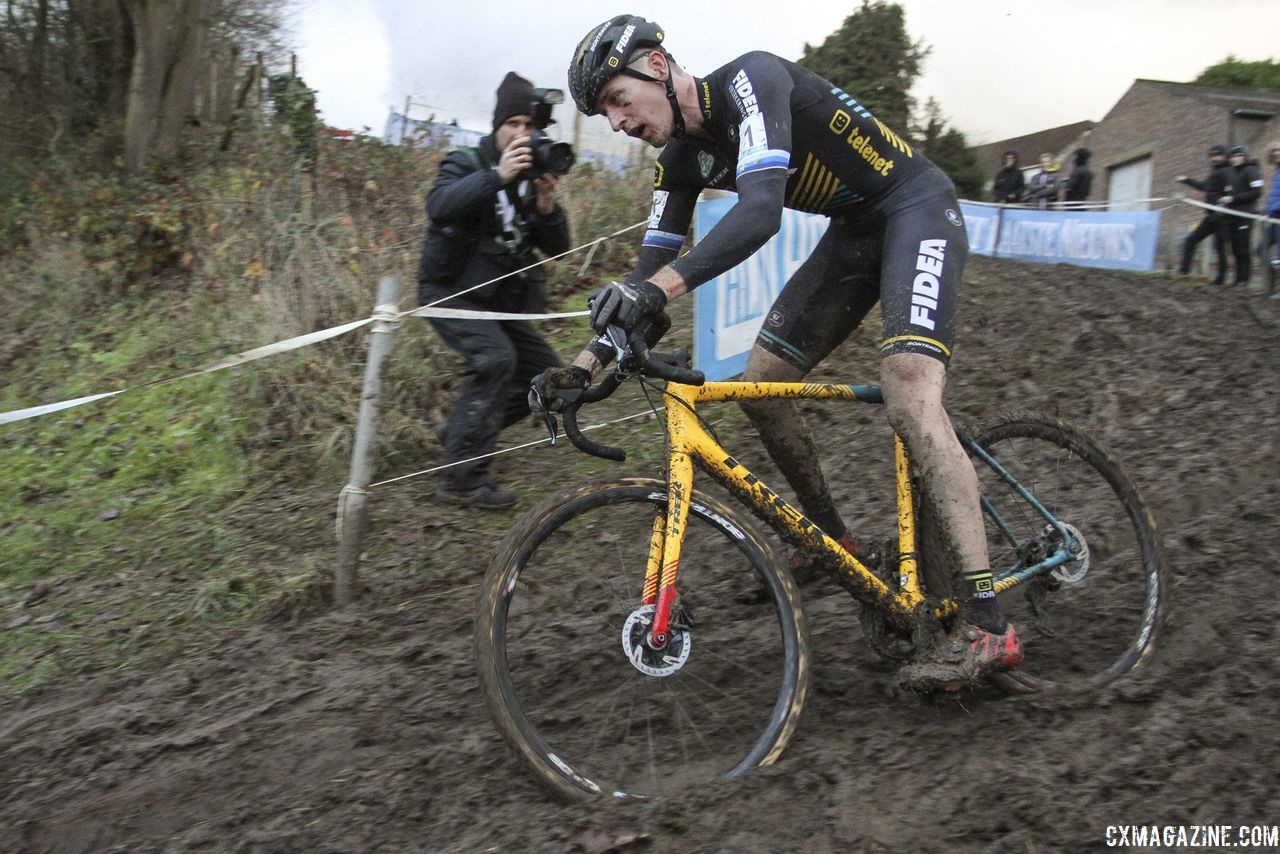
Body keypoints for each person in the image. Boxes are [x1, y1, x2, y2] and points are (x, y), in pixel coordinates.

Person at [533, 15, 1022, 690]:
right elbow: (646, 279)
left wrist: (656, 293)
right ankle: (835, 546)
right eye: (604, 113)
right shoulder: (679, 162)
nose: (615, 121)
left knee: (909, 392)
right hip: (855, 233)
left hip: (916, 208)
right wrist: (581, 369)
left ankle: (990, 626)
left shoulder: (751, 81)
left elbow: (760, 212)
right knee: (763, 383)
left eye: (616, 100)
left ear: (655, 66)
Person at [417, 71, 571, 509]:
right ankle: (461, 479)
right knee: (495, 360)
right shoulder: (466, 161)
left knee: (545, 380)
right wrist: (497, 177)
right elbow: (439, 206)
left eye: (529, 126)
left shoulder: (531, 175)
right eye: (513, 125)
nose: (522, 135)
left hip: (497, 302)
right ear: (496, 126)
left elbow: (559, 248)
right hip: (449, 291)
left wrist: (546, 207)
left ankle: (460, 434)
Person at [1176, 144, 1231, 284]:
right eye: (1212, 156)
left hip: (1223, 217)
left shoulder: (1227, 172)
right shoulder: (1214, 172)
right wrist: (1186, 180)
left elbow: (1230, 192)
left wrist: (1223, 208)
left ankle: (1221, 278)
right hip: (1211, 216)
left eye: (1217, 155)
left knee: (1220, 248)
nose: (1214, 158)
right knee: (1191, 240)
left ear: (1224, 156)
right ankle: (1184, 270)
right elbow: (1204, 186)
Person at [1218, 144, 1265, 287]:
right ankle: (1238, 279)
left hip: (1245, 214)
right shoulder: (1232, 173)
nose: (1235, 159)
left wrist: (1234, 199)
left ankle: (1244, 280)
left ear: (1244, 156)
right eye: (1233, 156)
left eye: (1238, 155)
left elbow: (1257, 192)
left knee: (1243, 248)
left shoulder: (1251, 170)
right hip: (1232, 216)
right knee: (1235, 248)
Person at [1259, 142, 1280, 298]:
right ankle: (1270, 287)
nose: (1277, 152)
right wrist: (1267, 211)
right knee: (1261, 249)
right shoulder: (1277, 171)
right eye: (1274, 150)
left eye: (1279, 149)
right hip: (1273, 217)